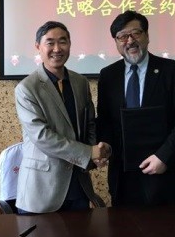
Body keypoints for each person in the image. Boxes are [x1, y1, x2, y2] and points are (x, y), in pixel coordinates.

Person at [97, 10, 175, 207]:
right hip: (123, 176)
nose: (130, 41)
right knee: (124, 226)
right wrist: (104, 146)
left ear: (147, 36)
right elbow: (105, 120)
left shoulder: (172, 71)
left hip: (165, 173)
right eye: (122, 36)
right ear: (116, 42)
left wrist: (163, 157)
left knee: (170, 226)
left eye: (136, 33)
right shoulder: (108, 75)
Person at [15, 21, 111, 214]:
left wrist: (96, 155)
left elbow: (89, 123)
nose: (57, 49)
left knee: (81, 234)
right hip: (42, 189)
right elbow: (42, 136)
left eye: (63, 41)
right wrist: (88, 152)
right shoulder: (26, 88)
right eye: (50, 43)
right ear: (38, 47)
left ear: (70, 44)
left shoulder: (80, 82)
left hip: (78, 185)